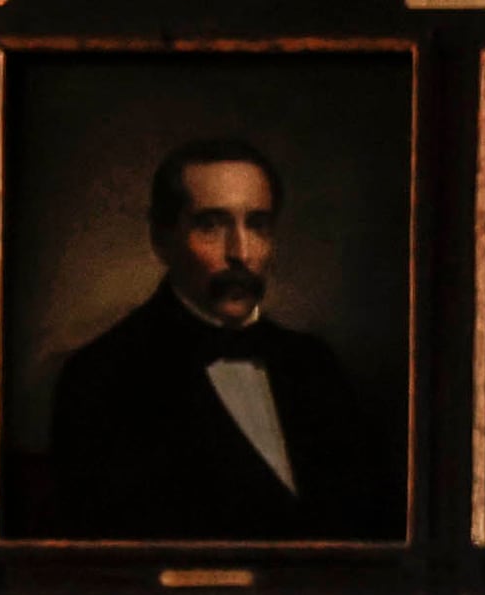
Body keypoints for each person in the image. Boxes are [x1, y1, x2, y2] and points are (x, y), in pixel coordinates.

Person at [41, 138, 402, 542]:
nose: (240, 252)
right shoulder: (101, 377)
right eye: (211, 226)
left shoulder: (316, 366)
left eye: (258, 225)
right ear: (162, 239)